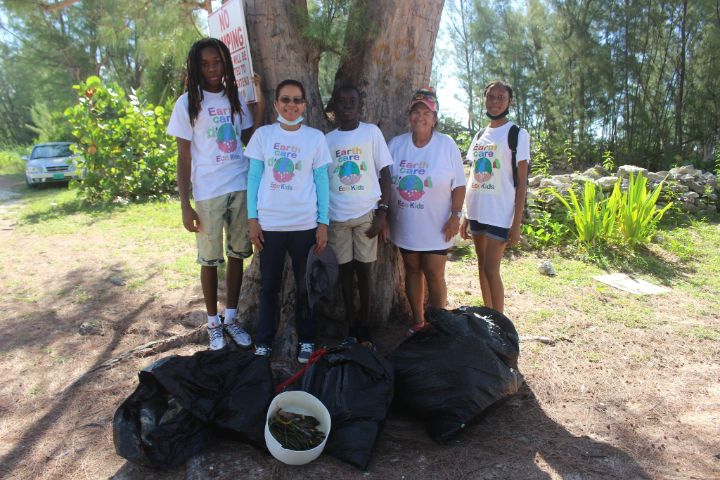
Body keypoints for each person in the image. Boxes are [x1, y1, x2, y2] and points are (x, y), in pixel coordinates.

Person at [167, 38, 263, 351]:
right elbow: (184, 158)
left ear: (225, 64)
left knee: (237, 254)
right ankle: (213, 324)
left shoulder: (233, 98)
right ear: (196, 67)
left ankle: (231, 319)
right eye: (205, 64)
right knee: (209, 259)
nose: (212, 69)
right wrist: (185, 205)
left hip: (239, 185)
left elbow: (249, 138)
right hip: (208, 192)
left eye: (217, 62)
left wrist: (259, 107)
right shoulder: (188, 103)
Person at [244, 79, 332, 364]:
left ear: (304, 104)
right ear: (276, 104)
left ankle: (306, 340)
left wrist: (323, 223)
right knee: (269, 286)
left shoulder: (315, 138)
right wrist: (252, 219)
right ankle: (263, 342)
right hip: (270, 225)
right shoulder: (263, 136)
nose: (291, 105)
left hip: (305, 225)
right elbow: (254, 178)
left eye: (296, 100)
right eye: (285, 99)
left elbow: (322, 181)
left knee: (306, 286)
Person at [387, 87, 466, 335]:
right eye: (416, 111)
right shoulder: (396, 145)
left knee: (433, 271)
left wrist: (456, 215)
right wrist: (385, 217)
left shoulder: (446, 145)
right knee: (412, 269)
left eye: (426, 113)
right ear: (410, 115)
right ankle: (419, 322)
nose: (421, 117)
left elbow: (460, 184)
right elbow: (385, 183)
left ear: (434, 119)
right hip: (406, 222)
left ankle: (439, 323)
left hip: (438, 223)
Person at [324, 85, 393, 349]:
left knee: (365, 273)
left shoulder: (371, 133)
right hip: (337, 218)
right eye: (341, 101)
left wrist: (382, 212)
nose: (347, 106)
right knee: (344, 275)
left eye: (352, 101)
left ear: (360, 105)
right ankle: (350, 327)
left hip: (366, 215)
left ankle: (366, 327)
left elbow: (385, 174)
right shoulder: (328, 140)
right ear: (335, 108)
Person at [460, 80, 529, 314]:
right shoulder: (480, 134)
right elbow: (472, 177)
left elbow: (522, 184)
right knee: (481, 267)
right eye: (491, 96)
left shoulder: (517, 134)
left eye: (501, 97)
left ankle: (501, 325)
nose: (495, 101)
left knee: (491, 269)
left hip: (500, 211)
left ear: (509, 101)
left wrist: (516, 224)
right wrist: (465, 215)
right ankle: (488, 318)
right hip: (477, 209)